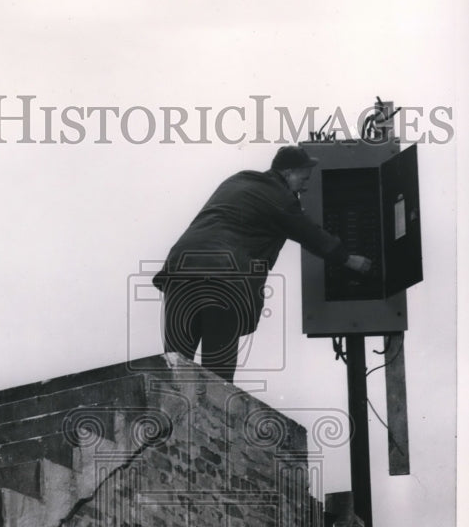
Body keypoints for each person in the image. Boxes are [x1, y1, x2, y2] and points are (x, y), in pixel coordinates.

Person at [153, 144, 372, 381]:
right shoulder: (280, 196)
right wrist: (348, 260)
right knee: (217, 374)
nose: (305, 185)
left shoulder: (238, 181)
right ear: (288, 173)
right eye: (303, 178)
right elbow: (309, 233)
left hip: (179, 272)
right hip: (223, 277)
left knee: (175, 366)